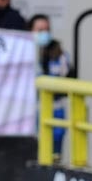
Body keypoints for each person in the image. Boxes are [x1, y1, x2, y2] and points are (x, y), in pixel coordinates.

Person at [28, 14, 75, 159]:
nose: (44, 33)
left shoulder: (59, 54)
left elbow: (68, 78)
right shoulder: (24, 53)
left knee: (54, 154)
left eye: (47, 29)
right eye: (39, 30)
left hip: (56, 110)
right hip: (31, 112)